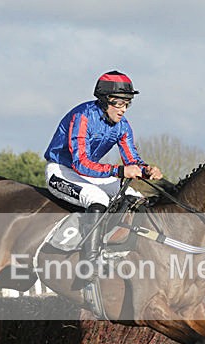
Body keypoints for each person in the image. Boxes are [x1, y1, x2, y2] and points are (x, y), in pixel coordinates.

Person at [44, 70, 163, 267]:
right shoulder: (82, 117)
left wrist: (145, 170)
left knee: (136, 198)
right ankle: (89, 262)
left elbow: (132, 160)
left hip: (91, 174)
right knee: (98, 199)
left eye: (127, 104)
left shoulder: (123, 126)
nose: (123, 110)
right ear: (104, 100)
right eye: (119, 103)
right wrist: (119, 171)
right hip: (62, 170)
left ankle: (122, 251)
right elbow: (81, 163)